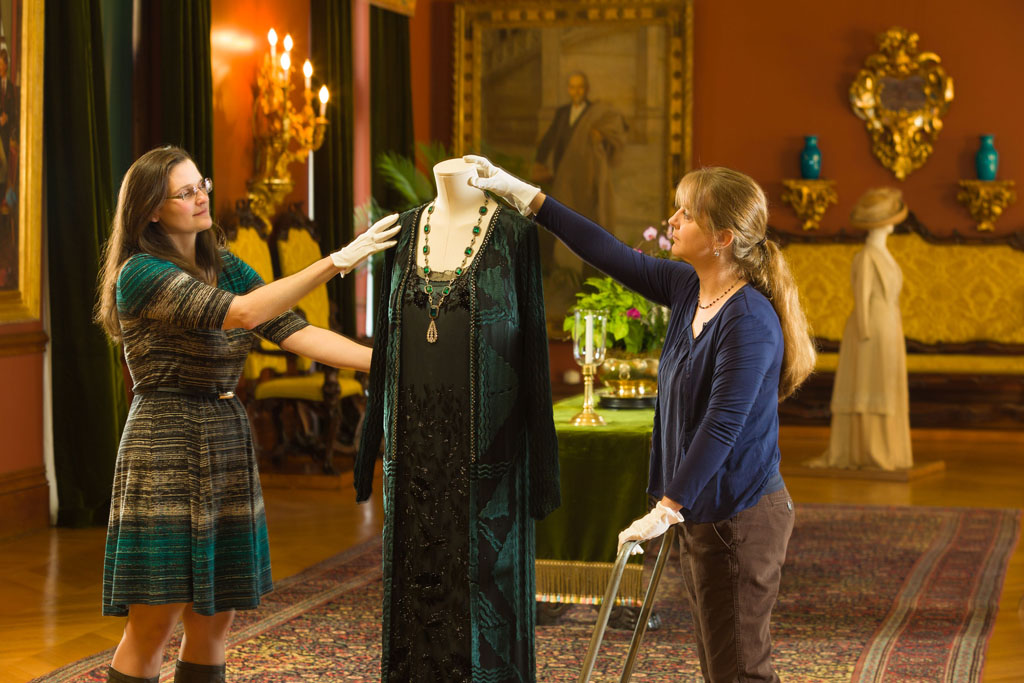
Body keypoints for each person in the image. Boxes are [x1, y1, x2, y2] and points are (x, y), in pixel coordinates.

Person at [466, 154, 817, 682]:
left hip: (742, 519)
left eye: (686, 214)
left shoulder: (749, 321)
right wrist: (522, 193)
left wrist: (668, 505)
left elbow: (721, 425)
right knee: (722, 664)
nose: (672, 221)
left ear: (722, 238)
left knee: (741, 669)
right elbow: (606, 250)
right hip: (708, 515)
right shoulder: (688, 289)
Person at [94, 145, 399, 683]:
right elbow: (242, 314)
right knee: (154, 624)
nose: (200, 197)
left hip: (224, 441)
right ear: (150, 211)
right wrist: (338, 260)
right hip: (165, 445)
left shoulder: (222, 263)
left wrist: (390, 363)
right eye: (184, 192)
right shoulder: (139, 273)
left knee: (215, 617)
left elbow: (292, 330)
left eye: (201, 184)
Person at [355, 158, 559, 682]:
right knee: (413, 584)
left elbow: (534, 353)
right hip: (414, 452)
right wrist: (368, 450)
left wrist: (543, 466)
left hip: (489, 455)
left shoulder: (514, 233)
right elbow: (385, 347)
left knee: (487, 591)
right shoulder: (401, 233)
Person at [810, 187, 913, 470]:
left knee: (886, 383)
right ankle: (868, 449)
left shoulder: (882, 254)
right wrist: (865, 332)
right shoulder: (866, 256)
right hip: (872, 329)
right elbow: (862, 298)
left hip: (889, 325)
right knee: (871, 382)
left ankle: (889, 451)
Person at [533, 70, 628, 332]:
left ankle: (589, 283)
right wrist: (540, 161)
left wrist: (600, 139)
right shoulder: (563, 113)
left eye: (579, 87)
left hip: (587, 180)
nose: (575, 91)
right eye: (572, 87)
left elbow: (616, 137)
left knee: (589, 225)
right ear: (569, 90)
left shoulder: (596, 114)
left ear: (585, 89)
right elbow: (551, 138)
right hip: (563, 178)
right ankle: (555, 276)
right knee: (553, 226)